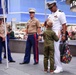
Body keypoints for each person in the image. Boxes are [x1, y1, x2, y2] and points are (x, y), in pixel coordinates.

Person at [47, 1, 67, 73]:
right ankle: (54, 64)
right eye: (49, 8)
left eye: (51, 8)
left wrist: (64, 35)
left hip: (57, 34)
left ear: (55, 6)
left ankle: (59, 67)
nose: (50, 9)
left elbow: (64, 25)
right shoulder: (50, 15)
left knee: (56, 51)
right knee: (51, 51)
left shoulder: (60, 13)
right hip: (51, 33)